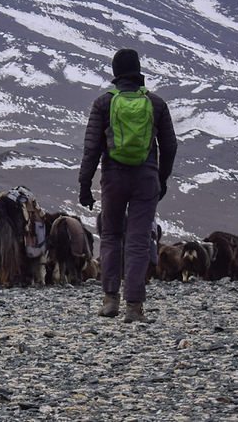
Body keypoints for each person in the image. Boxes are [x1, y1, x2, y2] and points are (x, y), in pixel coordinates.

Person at [79, 48, 177, 323]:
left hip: (113, 178)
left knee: (110, 236)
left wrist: (84, 185)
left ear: (115, 73)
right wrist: (162, 177)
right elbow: (170, 146)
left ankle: (110, 300)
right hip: (146, 178)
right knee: (137, 240)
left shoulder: (103, 104)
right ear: (138, 70)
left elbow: (91, 149)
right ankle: (134, 307)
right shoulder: (156, 104)